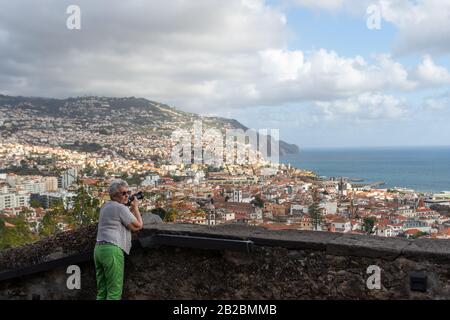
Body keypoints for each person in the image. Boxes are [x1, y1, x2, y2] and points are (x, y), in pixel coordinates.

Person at [94, 179, 143, 300]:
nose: (127, 195)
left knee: (102, 291)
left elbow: (127, 223)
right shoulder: (120, 208)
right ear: (114, 195)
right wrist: (135, 207)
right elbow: (137, 226)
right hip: (112, 250)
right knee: (114, 293)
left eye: (128, 192)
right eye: (123, 193)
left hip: (99, 249)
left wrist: (129, 208)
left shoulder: (106, 206)